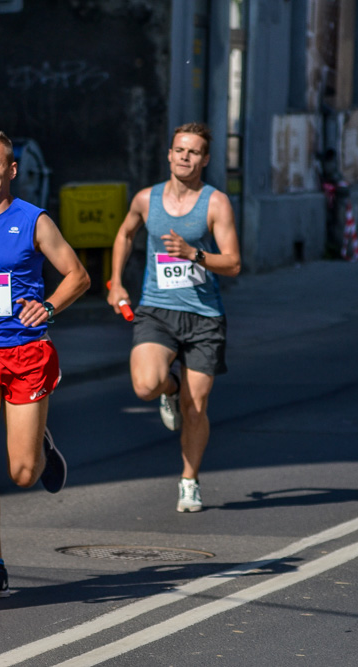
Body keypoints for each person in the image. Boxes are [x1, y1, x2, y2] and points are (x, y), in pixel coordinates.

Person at [0, 126, 90, 599]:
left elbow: (77, 276)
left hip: (25, 352)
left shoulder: (33, 221)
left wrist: (47, 307)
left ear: (11, 169)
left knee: (22, 472)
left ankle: (41, 444)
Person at [106, 122, 241, 513]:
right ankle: (169, 390)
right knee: (145, 385)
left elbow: (232, 263)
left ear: (206, 159)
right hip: (157, 310)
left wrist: (193, 253)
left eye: (194, 152)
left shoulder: (215, 204)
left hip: (204, 317)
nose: (185, 157)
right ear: (169, 155)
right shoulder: (147, 200)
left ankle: (189, 480)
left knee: (195, 406)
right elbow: (125, 234)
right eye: (179, 150)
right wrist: (116, 282)